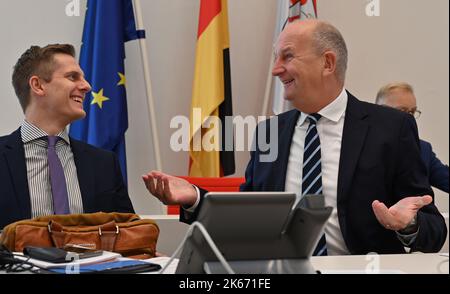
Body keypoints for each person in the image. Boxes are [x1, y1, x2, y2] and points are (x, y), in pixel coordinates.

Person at [143, 20, 447, 254]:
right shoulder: (270, 131)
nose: (276, 70)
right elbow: (248, 217)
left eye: (287, 57)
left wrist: (408, 225)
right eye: (276, 58)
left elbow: (433, 230)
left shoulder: (391, 129)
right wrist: (194, 197)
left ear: (327, 63)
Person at [0, 44, 134, 229]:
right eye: (72, 77)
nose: (86, 86)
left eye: (83, 78)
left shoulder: (104, 164)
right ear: (38, 85)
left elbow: (129, 236)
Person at [376, 82, 449, 193]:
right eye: (402, 111)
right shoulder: (364, 149)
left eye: (412, 112)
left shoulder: (423, 149)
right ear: (379, 111)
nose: (410, 119)